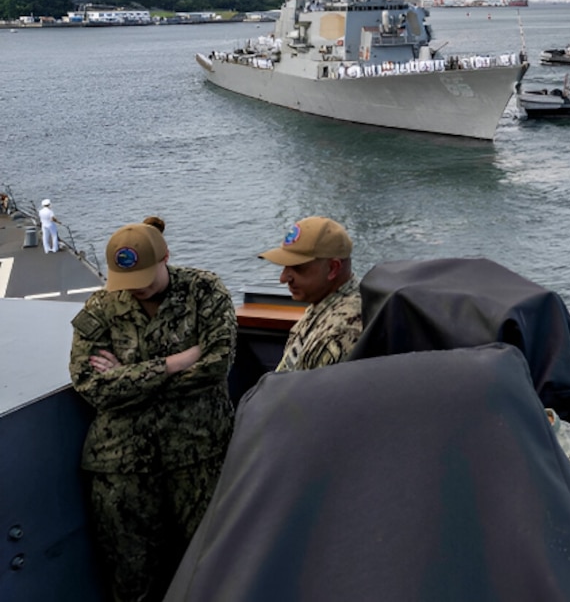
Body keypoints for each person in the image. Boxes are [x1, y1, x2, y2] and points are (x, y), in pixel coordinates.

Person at [68, 217, 237, 602]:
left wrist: (127, 377)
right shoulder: (101, 306)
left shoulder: (204, 292)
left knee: (210, 566)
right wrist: (172, 364)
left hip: (198, 455)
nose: (136, 288)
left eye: (144, 276)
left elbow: (215, 366)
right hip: (121, 465)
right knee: (132, 578)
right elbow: (91, 386)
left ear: (166, 257)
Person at [259, 216, 362, 372]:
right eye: (285, 267)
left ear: (333, 268)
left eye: (298, 267)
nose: (283, 278)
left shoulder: (341, 332)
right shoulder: (323, 304)